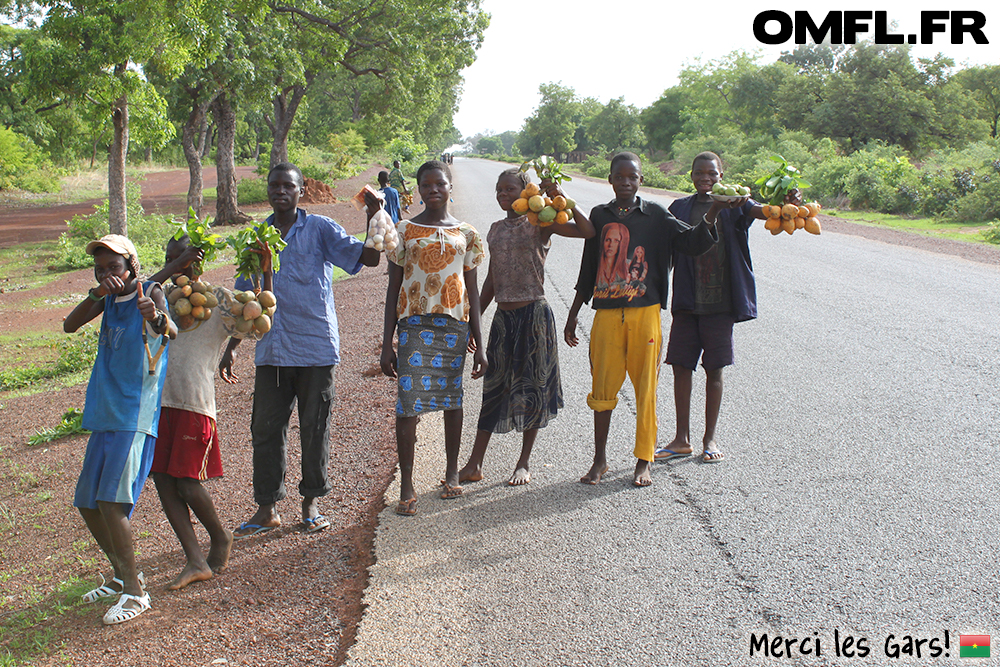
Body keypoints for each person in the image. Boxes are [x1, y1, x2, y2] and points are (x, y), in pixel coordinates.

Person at [227, 163, 381, 539]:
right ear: (268, 191)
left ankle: (311, 503)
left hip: (315, 347)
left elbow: (369, 258)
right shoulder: (257, 237)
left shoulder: (320, 229)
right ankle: (267, 507)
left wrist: (376, 218)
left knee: (315, 429)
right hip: (273, 350)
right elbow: (248, 300)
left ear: (301, 191)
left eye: (288, 186)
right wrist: (231, 346)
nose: (280, 191)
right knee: (265, 430)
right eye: (274, 185)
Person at [564, 152, 718, 487]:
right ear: (610, 180)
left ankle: (643, 459)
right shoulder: (599, 215)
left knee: (646, 389)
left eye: (632, 177)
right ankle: (600, 460)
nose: (625, 183)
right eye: (619, 177)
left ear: (641, 181)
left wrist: (714, 212)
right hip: (606, 314)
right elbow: (589, 267)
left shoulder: (657, 216)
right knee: (602, 389)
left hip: (644, 314)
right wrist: (574, 313)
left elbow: (692, 242)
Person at [655, 151, 801, 464]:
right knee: (681, 365)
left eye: (712, 174)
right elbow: (668, 247)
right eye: (699, 173)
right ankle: (682, 438)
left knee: (714, 368)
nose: (705, 179)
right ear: (691, 175)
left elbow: (766, 212)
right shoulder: (680, 207)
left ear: (722, 175)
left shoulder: (737, 204)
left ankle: (710, 438)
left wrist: (789, 199)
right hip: (687, 300)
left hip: (720, 303)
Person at [147, 235, 271, 589]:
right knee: (163, 481)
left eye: (183, 258)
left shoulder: (217, 301)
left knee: (187, 482)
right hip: (159, 403)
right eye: (170, 258)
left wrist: (266, 275)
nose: (175, 265)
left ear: (198, 259)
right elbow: (141, 291)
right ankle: (194, 559)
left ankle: (220, 536)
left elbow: (260, 317)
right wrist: (171, 269)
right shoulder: (159, 300)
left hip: (194, 404)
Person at [457, 168, 594, 486]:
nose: (503, 194)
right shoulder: (494, 230)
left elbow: (587, 231)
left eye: (510, 189)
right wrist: (472, 322)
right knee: (493, 389)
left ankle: (523, 463)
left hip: (534, 316)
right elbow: (492, 279)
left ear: (525, 192)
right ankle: (474, 464)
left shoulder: (540, 223)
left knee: (533, 389)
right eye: (498, 189)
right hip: (504, 321)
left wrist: (562, 198)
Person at [64, 234, 175, 625]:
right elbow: (68, 325)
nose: (108, 274)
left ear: (132, 267)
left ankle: (136, 592)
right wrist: (97, 292)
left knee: (112, 502)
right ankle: (120, 574)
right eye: (101, 269)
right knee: (87, 502)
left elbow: (168, 329)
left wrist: (155, 315)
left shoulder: (152, 291)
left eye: (115, 267)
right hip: (105, 412)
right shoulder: (106, 300)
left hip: (134, 414)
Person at [381, 159, 487, 515]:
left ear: (449, 186)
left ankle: (452, 472)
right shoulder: (404, 230)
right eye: (426, 185)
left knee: (452, 400)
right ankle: (407, 482)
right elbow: (393, 286)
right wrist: (386, 344)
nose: (433, 190)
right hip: (413, 326)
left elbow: (472, 289)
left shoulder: (467, 234)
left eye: (439, 184)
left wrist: (480, 345)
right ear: (419, 189)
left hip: (454, 327)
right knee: (408, 404)